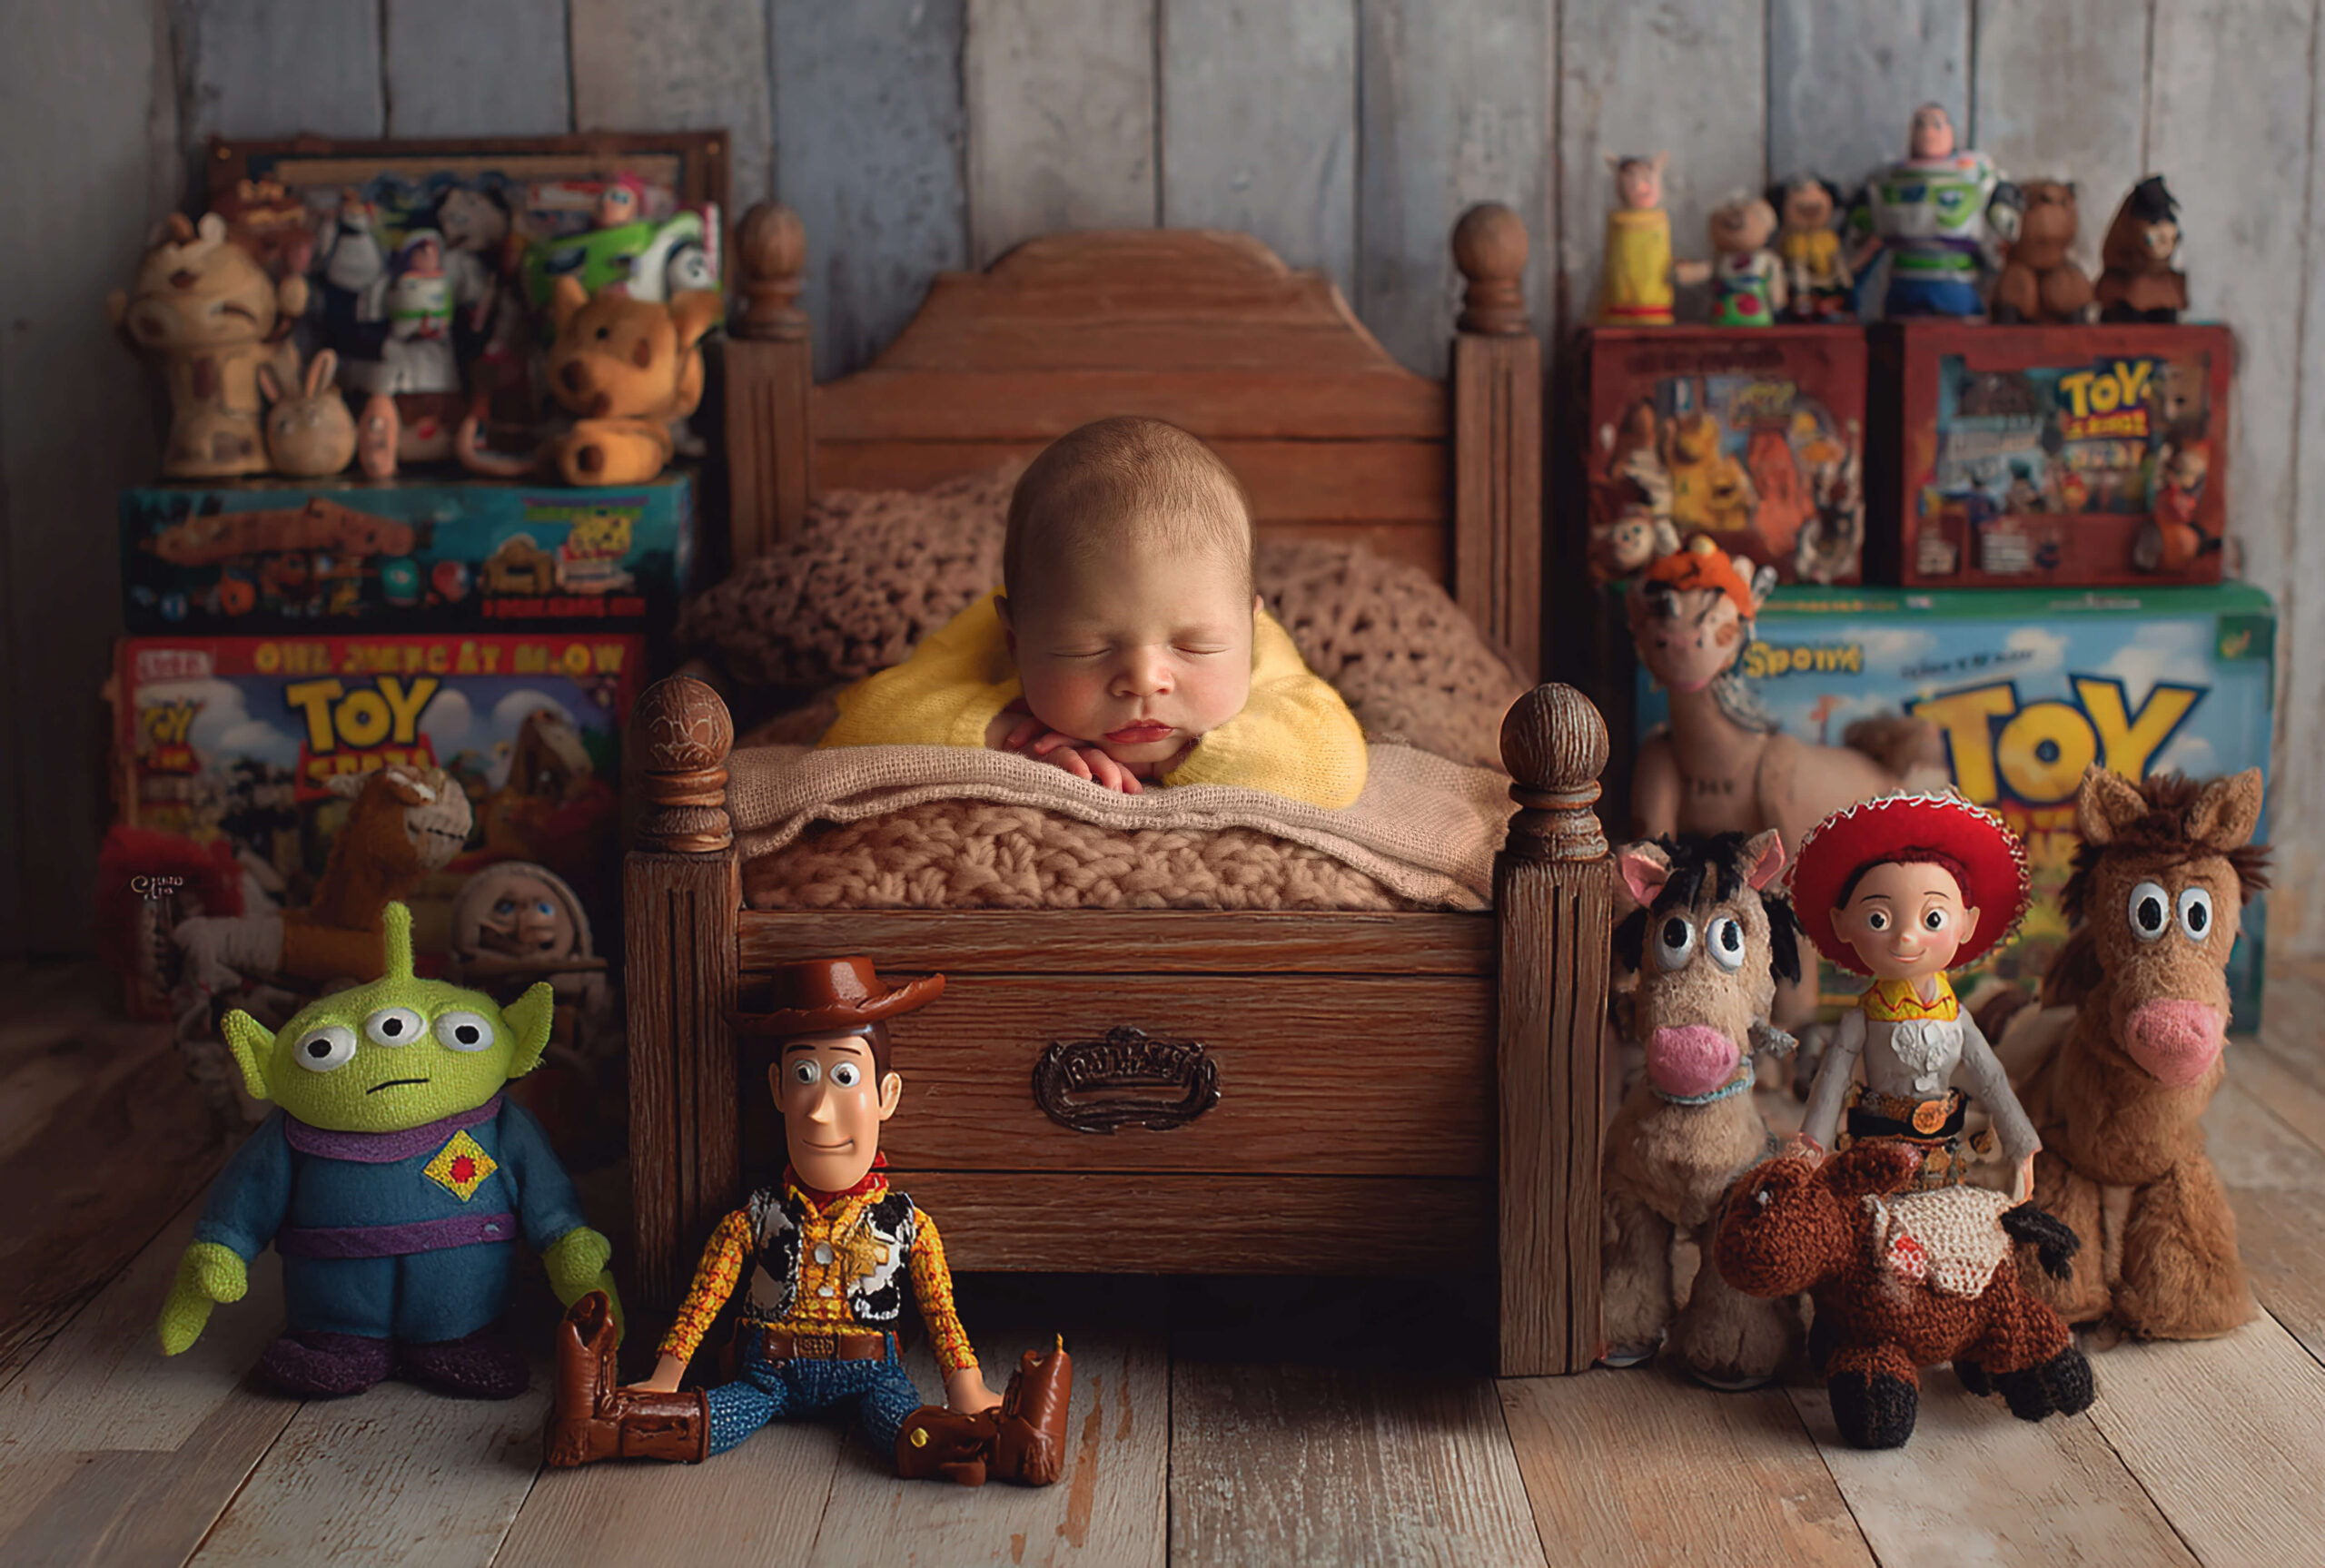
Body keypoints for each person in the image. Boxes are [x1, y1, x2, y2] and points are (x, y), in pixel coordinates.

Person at [545, 958, 1073, 1484]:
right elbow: (704, 1298)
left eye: (845, 1077)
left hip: (870, 1375)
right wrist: (666, 1376)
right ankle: (600, 1428)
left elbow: (940, 1311)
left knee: (904, 1427)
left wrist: (966, 1385)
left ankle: (999, 1450)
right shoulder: (754, 1217)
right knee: (711, 1419)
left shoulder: (906, 1223)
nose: (819, 1110)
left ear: (886, 1096)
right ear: (778, 1090)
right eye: (804, 1076)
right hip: (768, 1374)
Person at [817, 416, 1368, 808]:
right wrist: (1008, 738)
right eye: (1089, 650)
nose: (1143, 679)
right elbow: (857, 729)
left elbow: (1334, 764)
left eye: (1194, 647)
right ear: (1017, 641)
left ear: (1247, 625)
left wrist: (1182, 760)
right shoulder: (985, 636)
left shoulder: (1255, 644)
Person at [1792, 792, 2041, 1194]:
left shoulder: (1956, 1016)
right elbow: (1831, 1081)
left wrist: (2022, 1146)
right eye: (1879, 918)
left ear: (1966, 924)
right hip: (1875, 1157)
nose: (1906, 935)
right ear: (1842, 924)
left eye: (1933, 918)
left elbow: (1992, 1079)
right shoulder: (1864, 1018)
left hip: (1945, 1160)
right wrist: (1810, 1148)